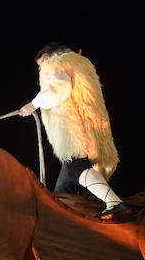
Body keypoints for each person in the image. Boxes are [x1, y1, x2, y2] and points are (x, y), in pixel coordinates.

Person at [18, 43, 123, 212]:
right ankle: (73, 217)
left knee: (76, 166)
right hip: (90, 124)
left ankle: (114, 203)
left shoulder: (55, 63)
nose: (41, 69)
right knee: (63, 189)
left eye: (40, 65)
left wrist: (33, 104)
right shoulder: (80, 63)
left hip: (73, 127)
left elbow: (58, 88)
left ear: (45, 57)